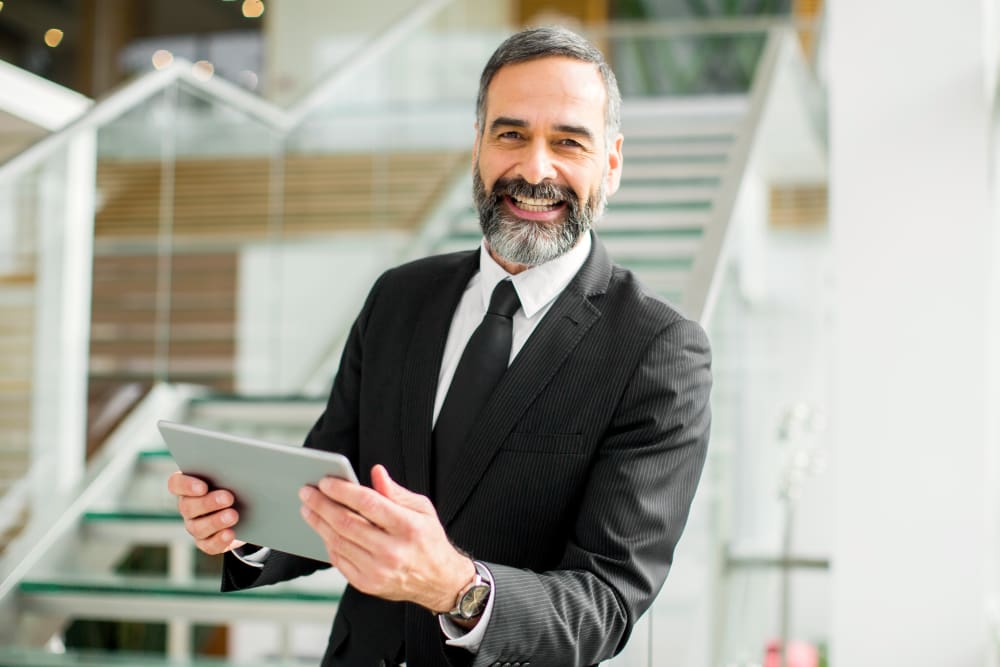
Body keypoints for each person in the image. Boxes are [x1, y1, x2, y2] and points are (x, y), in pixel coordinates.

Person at [168, 25, 711, 667]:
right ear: (477, 145)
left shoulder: (658, 351)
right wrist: (246, 524)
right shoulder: (399, 298)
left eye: (568, 141)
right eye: (511, 134)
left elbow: (607, 605)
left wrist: (456, 589)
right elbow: (330, 490)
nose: (536, 168)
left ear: (612, 163)